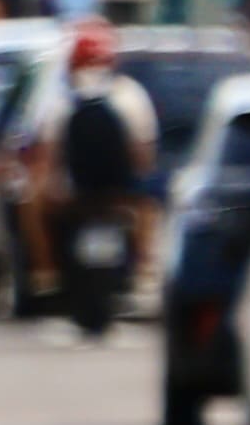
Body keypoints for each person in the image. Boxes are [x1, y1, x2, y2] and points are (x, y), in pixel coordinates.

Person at [46, 24, 163, 326]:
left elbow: (50, 153)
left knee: (34, 204)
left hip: (81, 193)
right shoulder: (130, 95)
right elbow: (143, 153)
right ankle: (143, 269)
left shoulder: (62, 99)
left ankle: (44, 271)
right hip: (115, 193)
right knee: (147, 207)